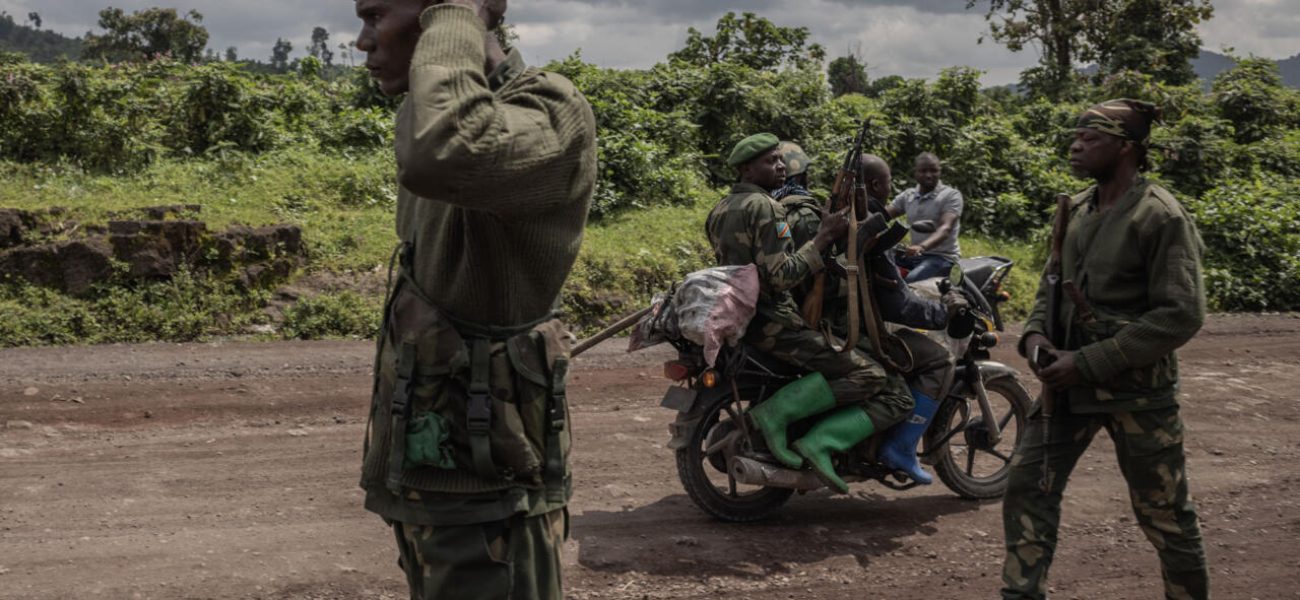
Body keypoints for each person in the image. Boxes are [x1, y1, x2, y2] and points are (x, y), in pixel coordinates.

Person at [353, 0, 596, 598]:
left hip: (492, 498)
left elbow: (446, 147)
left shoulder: (548, 111)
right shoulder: (430, 115)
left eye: (375, 15)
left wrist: (460, 9)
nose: (362, 41)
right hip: (441, 479)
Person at [1000, 99, 1210, 600]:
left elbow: (1181, 314)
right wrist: (1034, 340)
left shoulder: (1160, 216)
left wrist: (1089, 361)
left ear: (1126, 148)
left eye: (1090, 138)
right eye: (1076, 136)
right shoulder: (1076, 210)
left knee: (1165, 516)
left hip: (1136, 393)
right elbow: (1051, 286)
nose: (1075, 145)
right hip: (1065, 391)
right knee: (1028, 489)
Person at [705, 133, 915, 494]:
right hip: (774, 323)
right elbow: (781, 275)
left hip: (745, 318)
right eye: (771, 161)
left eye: (780, 159)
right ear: (747, 168)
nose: (780, 166)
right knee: (871, 375)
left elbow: (756, 261)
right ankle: (786, 422)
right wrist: (822, 238)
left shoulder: (720, 209)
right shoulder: (768, 209)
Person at [776, 147, 960, 485]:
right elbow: (897, 305)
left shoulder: (827, 214)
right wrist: (941, 313)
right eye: (888, 183)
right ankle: (900, 448)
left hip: (803, 317)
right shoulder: (861, 223)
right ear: (875, 186)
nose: (891, 190)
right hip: (842, 326)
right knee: (935, 360)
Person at [886, 153, 964, 282]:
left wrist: (921, 247)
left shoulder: (950, 195)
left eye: (933, 171)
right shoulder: (908, 196)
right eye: (923, 171)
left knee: (912, 281)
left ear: (939, 172)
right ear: (915, 173)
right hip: (914, 256)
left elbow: (945, 228)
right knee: (877, 265)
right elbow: (885, 214)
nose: (928, 175)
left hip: (942, 258)